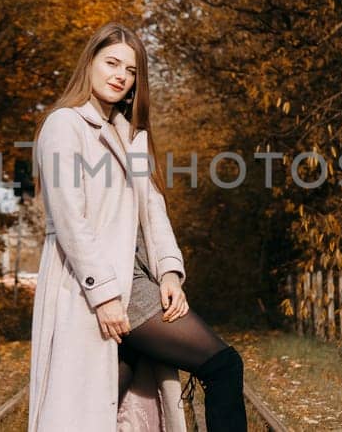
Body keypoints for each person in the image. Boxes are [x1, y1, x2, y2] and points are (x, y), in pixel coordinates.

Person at [27, 22, 246, 431]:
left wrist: (169, 271)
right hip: (99, 285)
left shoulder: (132, 135)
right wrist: (105, 294)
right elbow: (71, 219)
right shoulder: (65, 125)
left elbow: (153, 210)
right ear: (89, 63)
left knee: (101, 409)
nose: (120, 76)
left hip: (137, 280)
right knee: (222, 365)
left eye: (130, 71)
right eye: (111, 63)